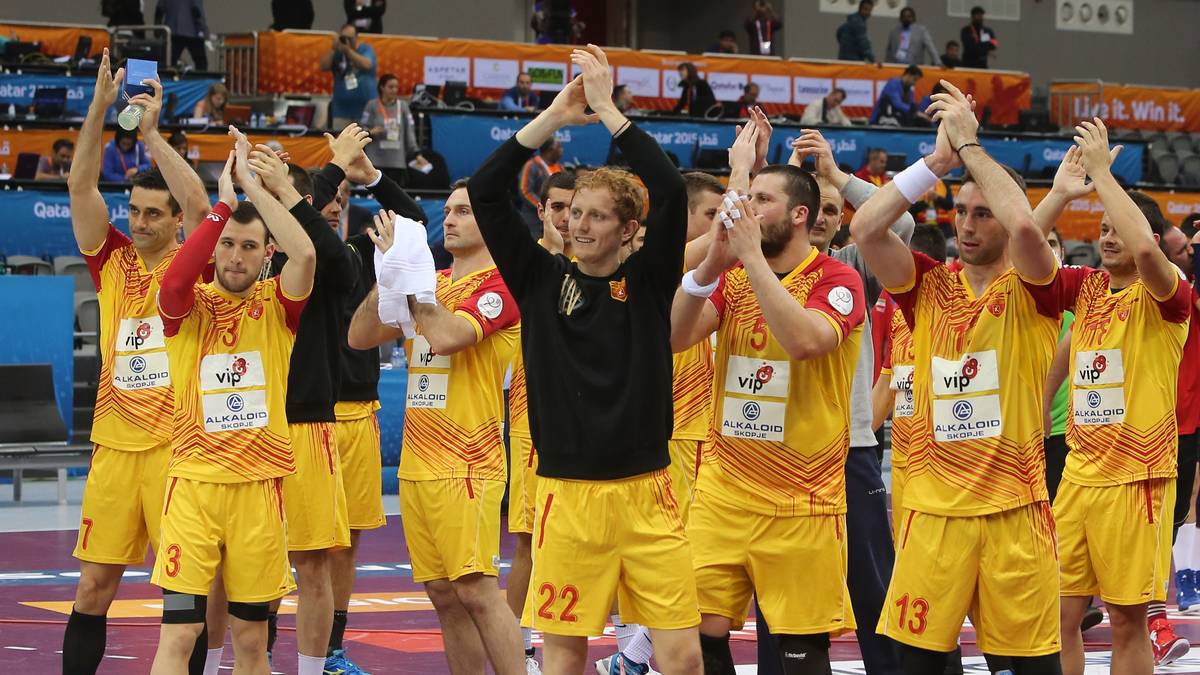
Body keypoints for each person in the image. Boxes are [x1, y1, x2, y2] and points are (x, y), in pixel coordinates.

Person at [467, 45, 703, 675]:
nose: (579, 225)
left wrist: (608, 111)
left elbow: (673, 190)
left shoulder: (651, 281)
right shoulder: (540, 279)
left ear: (630, 231)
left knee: (682, 656)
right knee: (566, 654)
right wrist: (553, 117)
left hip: (650, 493)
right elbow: (489, 192)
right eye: (573, 213)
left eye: (598, 217)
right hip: (566, 495)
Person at [850, 80, 1069, 673]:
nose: (967, 225)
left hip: (1015, 516)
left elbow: (1026, 229)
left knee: (1029, 669)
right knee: (917, 666)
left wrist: (972, 147)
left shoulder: (1034, 289)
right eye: (960, 212)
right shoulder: (928, 285)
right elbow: (866, 230)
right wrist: (936, 164)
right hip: (933, 518)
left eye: (981, 213)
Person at [668, 116, 868, 674]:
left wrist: (751, 258)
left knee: (800, 654)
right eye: (745, 198)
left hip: (802, 503)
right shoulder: (730, 277)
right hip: (723, 492)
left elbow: (805, 341)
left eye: (761, 200)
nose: (747, 209)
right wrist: (714, 261)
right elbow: (675, 335)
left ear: (799, 214)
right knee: (695, 639)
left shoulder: (836, 279)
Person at [61, 49, 210, 675]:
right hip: (117, 448)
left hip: (180, 451)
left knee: (186, 599)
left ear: (174, 221)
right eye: (135, 211)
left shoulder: (193, 262)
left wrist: (150, 135)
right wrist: (99, 109)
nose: (140, 221)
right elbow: (81, 185)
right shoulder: (112, 260)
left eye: (154, 213)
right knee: (94, 588)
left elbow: (205, 208)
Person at [150, 130, 315, 675]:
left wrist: (256, 186)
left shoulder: (278, 304)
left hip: (259, 493)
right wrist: (222, 205)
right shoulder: (187, 306)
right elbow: (174, 277)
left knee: (250, 639)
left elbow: (307, 251)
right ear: (214, 244)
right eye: (227, 244)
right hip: (193, 488)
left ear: (266, 254)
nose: (235, 256)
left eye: (250, 246)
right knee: (178, 636)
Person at [347, 181, 526, 675]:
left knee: (476, 590)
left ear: (490, 220)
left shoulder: (503, 284)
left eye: (464, 211)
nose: (449, 219)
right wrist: (388, 275)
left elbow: (446, 336)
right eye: (446, 210)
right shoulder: (433, 281)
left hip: (466, 461)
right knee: (444, 595)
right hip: (418, 463)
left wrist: (412, 282)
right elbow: (360, 335)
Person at [1050, 120, 1192, 675]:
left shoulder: (1169, 297)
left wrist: (1105, 175)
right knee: (1056, 614)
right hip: (1079, 477)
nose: (1107, 236)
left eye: (1118, 228)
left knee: (1129, 621)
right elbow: (1022, 255)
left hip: (1137, 481)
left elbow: (1145, 249)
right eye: (1101, 228)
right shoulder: (1085, 289)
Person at [595, 171, 724, 675]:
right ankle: (634, 655)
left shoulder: (705, 269)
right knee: (675, 556)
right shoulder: (652, 263)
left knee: (656, 556)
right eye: (711, 215)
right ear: (685, 215)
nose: (721, 224)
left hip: (688, 429)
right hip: (670, 431)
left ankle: (633, 656)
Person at [361, 74, 427, 184]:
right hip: (375, 160)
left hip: (397, 162)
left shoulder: (403, 107)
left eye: (396, 87)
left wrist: (417, 154)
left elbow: (409, 133)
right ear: (382, 87)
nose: (394, 90)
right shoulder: (371, 105)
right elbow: (362, 128)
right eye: (390, 87)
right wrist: (371, 132)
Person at [320, 24, 378, 130]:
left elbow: (367, 65)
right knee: (342, 143)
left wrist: (348, 51)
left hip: (364, 110)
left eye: (349, 38)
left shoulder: (366, 49)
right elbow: (323, 66)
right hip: (341, 110)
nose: (346, 41)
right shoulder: (337, 52)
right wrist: (333, 49)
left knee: (364, 143)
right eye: (343, 37)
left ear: (356, 37)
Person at [518, 137, 564, 235]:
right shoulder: (532, 165)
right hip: (534, 222)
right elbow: (525, 190)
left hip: (555, 221)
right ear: (550, 149)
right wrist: (544, 207)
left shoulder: (560, 168)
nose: (562, 151)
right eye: (559, 147)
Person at [154, 0, 209, 70]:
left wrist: (157, 31)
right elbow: (197, 10)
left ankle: (167, 79)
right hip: (193, 31)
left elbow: (159, 10)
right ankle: (200, 80)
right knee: (201, 63)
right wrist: (203, 30)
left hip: (172, 30)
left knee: (168, 63)